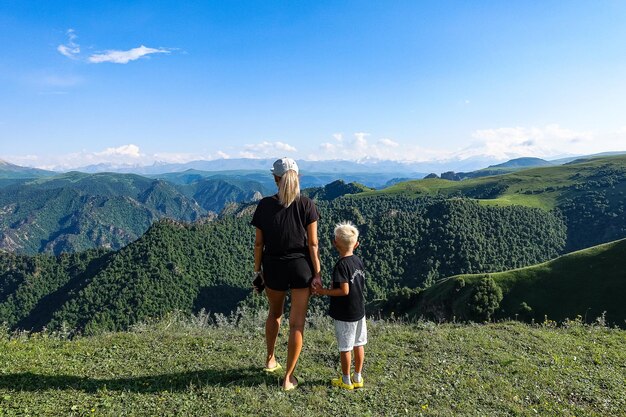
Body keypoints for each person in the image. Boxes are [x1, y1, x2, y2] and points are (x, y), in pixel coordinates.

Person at [251, 157, 322, 391]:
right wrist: (318, 273)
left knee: (275, 314)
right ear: (298, 177)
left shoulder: (264, 206)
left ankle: (270, 359)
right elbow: (312, 244)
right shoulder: (307, 205)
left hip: (273, 266)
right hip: (301, 267)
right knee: (297, 323)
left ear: (275, 178)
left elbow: (259, 244)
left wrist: (257, 271)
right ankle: (288, 378)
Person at [313, 221, 367, 390]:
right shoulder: (358, 261)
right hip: (359, 310)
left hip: (345, 313)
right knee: (359, 344)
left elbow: (344, 290)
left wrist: (323, 292)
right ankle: (358, 377)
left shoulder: (341, 266)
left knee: (345, 347)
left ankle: (346, 380)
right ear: (356, 244)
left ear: (334, 243)